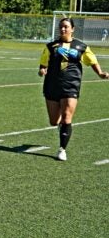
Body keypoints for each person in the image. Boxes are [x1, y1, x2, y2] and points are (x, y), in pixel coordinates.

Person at [38, 17, 109, 161]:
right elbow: (43, 64)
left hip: (71, 85)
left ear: (72, 29)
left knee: (66, 117)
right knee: (54, 121)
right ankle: (62, 127)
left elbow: (92, 61)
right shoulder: (50, 46)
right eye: (61, 27)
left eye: (66, 26)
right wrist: (42, 70)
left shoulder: (81, 46)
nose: (63, 29)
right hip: (52, 85)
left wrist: (101, 73)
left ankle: (62, 149)